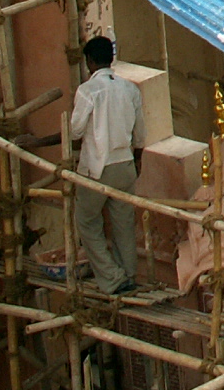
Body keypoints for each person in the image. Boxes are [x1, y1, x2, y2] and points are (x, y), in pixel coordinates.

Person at [27, 36, 145, 294]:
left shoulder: (88, 91)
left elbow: (75, 132)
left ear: (89, 61)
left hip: (97, 168)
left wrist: (38, 142)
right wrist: (137, 160)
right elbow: (140, 135)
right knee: (124, 223)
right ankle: (129, 275)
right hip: (125, 164)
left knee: (87, 222)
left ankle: (112, 278)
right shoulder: (130, 89)